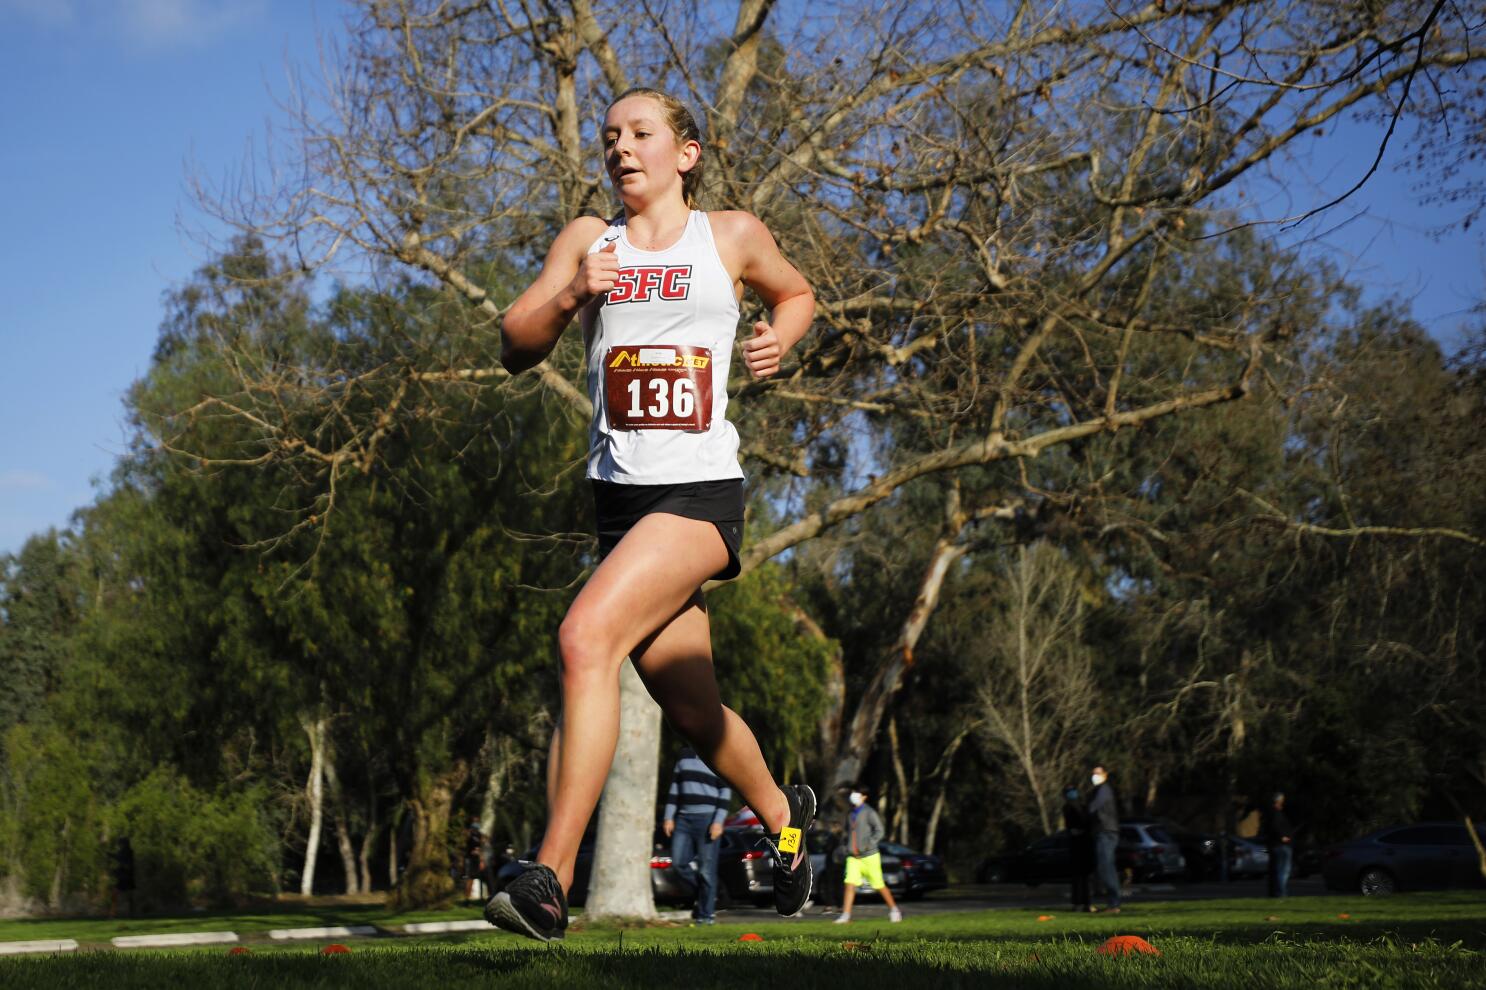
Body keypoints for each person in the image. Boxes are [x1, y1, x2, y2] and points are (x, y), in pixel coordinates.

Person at [484, 86, 818, 943]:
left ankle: (549, 879)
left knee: (585, 637)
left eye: (640, 134)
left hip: (700, 494)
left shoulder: (730, 234)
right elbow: (513, 344)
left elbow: (798, 292)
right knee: (696, 713)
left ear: (686, 153)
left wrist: (785, 332)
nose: (621, 148)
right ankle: (786, 817)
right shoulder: (585, 243)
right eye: (610, 138)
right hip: (619, 506)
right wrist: (569, 299)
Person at [662, 747, 732, 924]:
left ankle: (706, 915)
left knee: (706, 871)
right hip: (683, 819)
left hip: (708, 820)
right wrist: (668, 817)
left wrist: (718, 821)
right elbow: (675, 788)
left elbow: (725, 790)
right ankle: (705, 895)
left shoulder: (717, 755)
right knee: (678, 864)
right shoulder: (684, 756)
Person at [833, 784, 902, 924]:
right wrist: (845, 846)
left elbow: (879, 831)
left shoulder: (869, 812)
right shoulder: (851, 813)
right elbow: (847, 833)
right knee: (849, 884)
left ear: (864, 797)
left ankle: (894, 910)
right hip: (853, 857)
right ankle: (846, 915)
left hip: (869, 856)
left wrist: (868, 844)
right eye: (853, 793)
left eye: (857, 793)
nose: (854, 796)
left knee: (878, 885)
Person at [1086, 764, 1121, 913]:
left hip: (1106, 831)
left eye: (1098, 773)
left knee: (1106, 867)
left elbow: (1093, 807)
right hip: (1104, 831)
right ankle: (1111, 903)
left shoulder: (1103, 790)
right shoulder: (1099, 790)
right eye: (1093, 773)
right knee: (1105, 867)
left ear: (1105, 775)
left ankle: (1114, 903)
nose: (1095, 776)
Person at [1061, 786, 1095, 912]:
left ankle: (1083, 903)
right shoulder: (1070, 808)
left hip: (1083, 843)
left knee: (1083, 876)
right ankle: (1081, 903)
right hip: (1078, 844)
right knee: (1080, 876)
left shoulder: (1081, 807)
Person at [1263, 792, 1295, 898]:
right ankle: (1281, 893)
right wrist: (1282, 836)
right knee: (1283, 871)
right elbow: (1275, 826)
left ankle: (1276, 892)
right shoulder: (1276, 813)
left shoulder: (1271, 813)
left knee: (1278, 870)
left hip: (1276, 845)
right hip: (1281, 845)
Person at [462, 818, 486, 902]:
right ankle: (466, 898)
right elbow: (465, 838)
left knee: (479, 878)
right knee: (469, 878)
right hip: (470, 859)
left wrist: (482, 860)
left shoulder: (479, 835)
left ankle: (481, 897)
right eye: (474, 822)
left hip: (477, 860)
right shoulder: (469, 834)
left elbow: (481, 847)